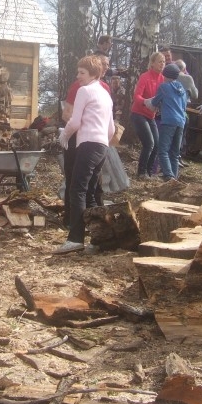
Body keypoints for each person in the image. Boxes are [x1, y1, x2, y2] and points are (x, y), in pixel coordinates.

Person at [55, 56, 115, 255]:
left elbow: (74, 121)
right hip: (101, 146)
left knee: (77, 189)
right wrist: (103, 143)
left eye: (82, 72)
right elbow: (111, 128)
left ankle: (75, 238)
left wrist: (64, 135)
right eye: (78, 71)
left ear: (93, 74)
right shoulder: (105, 94)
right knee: (90, 192)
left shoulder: (85, 90)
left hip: (88, 144)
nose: (78, 76)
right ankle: (101, 239)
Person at [146, 62, 188, 181]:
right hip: (181, 121)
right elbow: (184, 106)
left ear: (166, 76)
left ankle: (168, 176)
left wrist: (146, 102)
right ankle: (174, 178)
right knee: (174, 153)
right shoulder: (181, 88)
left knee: (162, 150)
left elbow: (154, 102)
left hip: (169, 121)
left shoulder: (164, 87)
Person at [131, 52, 166, 179]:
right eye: (159, 61)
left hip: (151, 115)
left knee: (157, 144)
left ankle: (149, 172)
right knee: (149, 143)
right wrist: (145, 101)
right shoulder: (145, 77)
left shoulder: (163, 79)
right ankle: (141, 172)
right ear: (152, 63)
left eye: (164, 62)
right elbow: (136, 96)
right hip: (139, 113)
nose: (162, 64)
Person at [174, 59, 198, 162]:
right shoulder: (187, 78)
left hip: (168, 112)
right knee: (181, 135)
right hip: (182, 112)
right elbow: (195, 95)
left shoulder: (168, 77)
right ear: (184, 69)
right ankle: (177, 157)